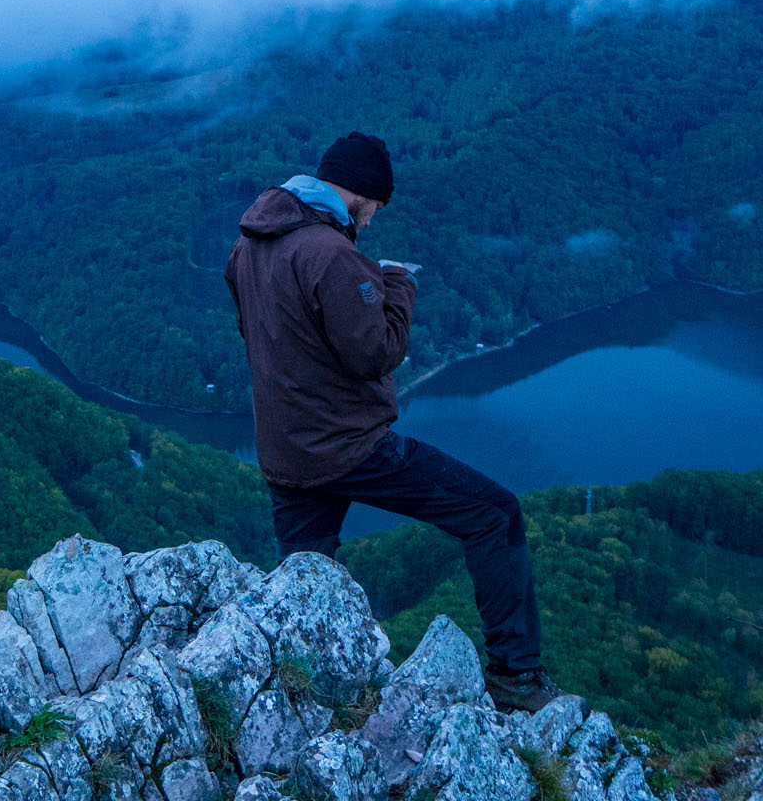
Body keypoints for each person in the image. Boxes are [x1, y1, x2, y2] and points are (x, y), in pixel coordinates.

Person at [224, 130, 567, 713]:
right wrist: (396, 287)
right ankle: (517, 679)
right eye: (378, 202)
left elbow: (274, 336)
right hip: (350, 449)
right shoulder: (329, 253)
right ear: (361, 192)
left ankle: (298, 703)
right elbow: (376, 351)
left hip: (285, 453)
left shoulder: (248, 245)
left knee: (306, 589)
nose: (377, 214)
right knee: (494, 514)